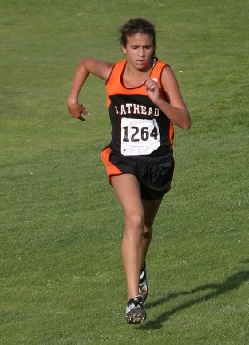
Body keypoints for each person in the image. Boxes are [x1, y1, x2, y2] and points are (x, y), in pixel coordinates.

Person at [66, 18, 192, 324]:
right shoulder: (113, 72)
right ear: (124, 48)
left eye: (147, 47)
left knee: (145, 228)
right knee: (133, 219)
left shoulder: (163, 73)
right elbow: (84, 64)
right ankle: (133, 300)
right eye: (134, 47)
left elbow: (185, 121)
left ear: (154, 48)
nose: (141, 53)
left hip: (157, 163)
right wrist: (72, 99)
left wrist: (158, 100)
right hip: (122, 159)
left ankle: (139, 265)